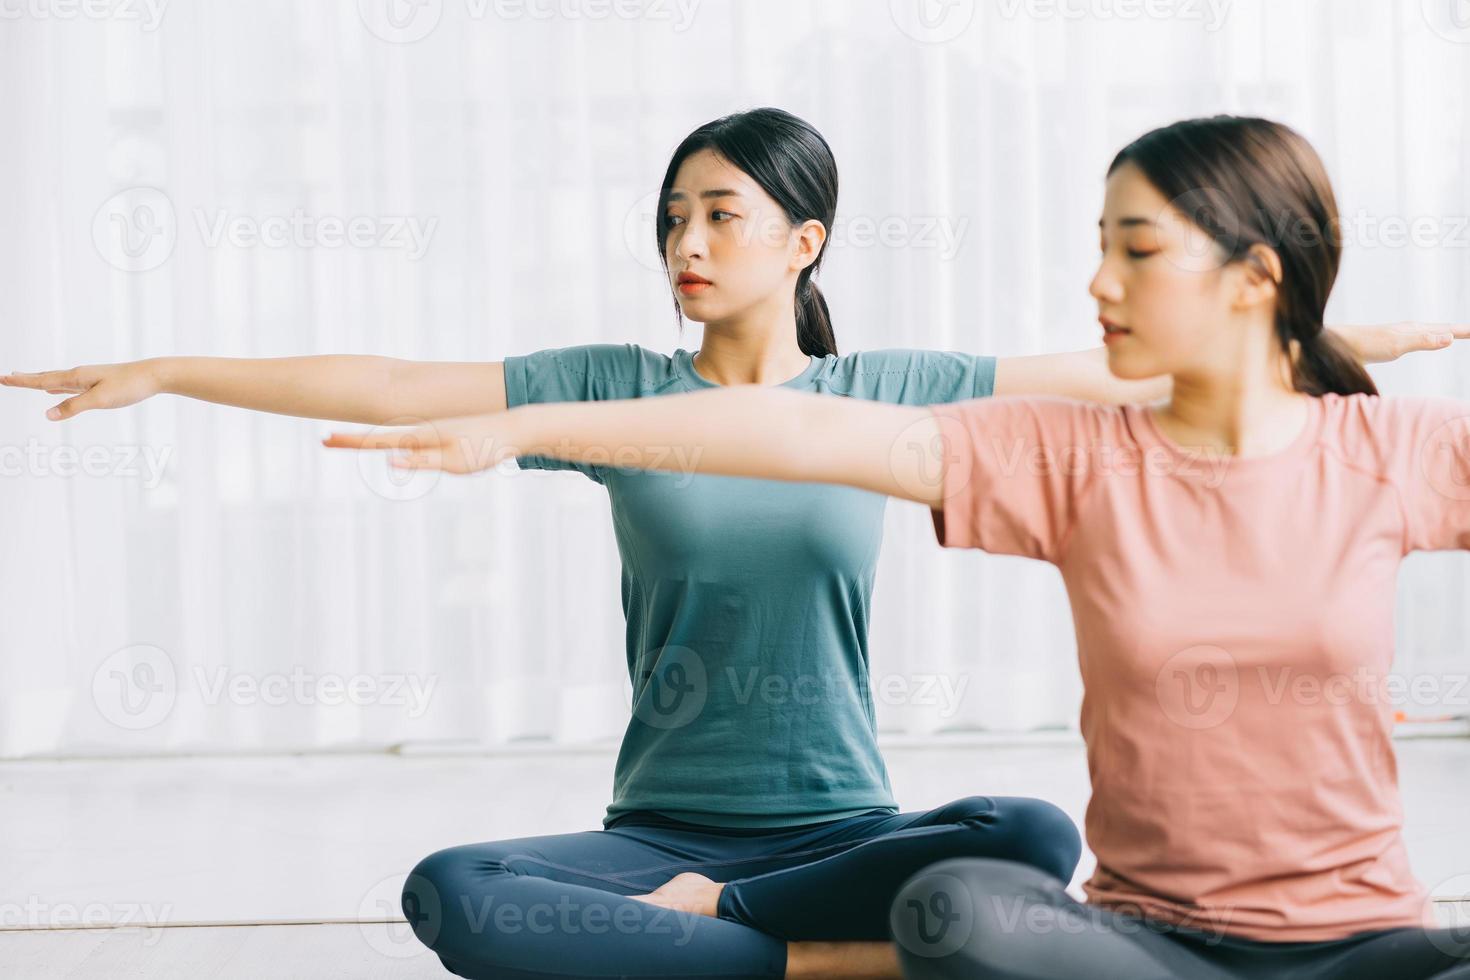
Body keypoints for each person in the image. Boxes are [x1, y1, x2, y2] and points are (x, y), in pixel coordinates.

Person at [327, 114, 1470, 979]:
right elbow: (786, 427)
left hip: (1359, 927)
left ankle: (733, 923)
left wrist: (1313, 347)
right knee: (956, 913)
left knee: (1017, 837)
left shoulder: (1391, 449)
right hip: (1141, 941)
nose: (1095, 283)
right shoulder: (1065, 458)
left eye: (1133, 251)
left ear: (1256, 275)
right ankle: (763, 937)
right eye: (677, 215)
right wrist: (524, 425)